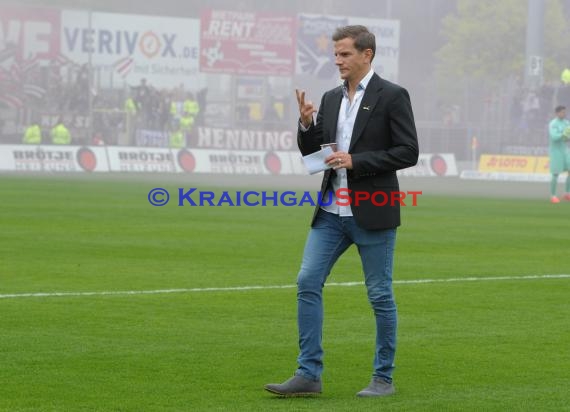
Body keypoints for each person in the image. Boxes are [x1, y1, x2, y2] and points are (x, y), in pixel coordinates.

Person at [264, 25, 418, 398]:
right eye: (335, 54)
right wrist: (305, 125)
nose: (338, 61)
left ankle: (383, 378)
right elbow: (315, 154)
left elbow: (408, 152)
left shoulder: (393, 96)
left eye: (345, 54)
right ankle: (308, 374)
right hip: (331, 211)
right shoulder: (331, 97)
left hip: (373, 211)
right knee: (306, 282)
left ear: (367, 54)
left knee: (379, 295)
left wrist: (357, 161)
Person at [548, 105, 570, 203]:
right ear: (557, 113)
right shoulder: (553, 124)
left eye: (565, 112)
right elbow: (554, 137)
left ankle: (567, 193)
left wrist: (567, 137)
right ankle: (553, 196)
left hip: (565, 150)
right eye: (562, 112)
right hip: (556, 152)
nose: (564, 114)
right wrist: (563, 135)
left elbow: (567, 138)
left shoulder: (567, 123)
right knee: (555, 174)